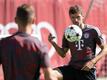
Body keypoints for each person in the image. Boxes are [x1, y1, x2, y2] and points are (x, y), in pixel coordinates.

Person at [0, 4, 62, 80]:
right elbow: (49, 77)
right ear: (33, 21)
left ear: (16, 20)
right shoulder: (40, 46)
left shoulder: (3, 44)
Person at [48, 5, 107, 80]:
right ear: (70, 18)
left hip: (87, 71)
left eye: (78, 17)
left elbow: (105, 49)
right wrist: (53, 42)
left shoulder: (93, 31)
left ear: (82, 16)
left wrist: (93, 62)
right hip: (72, 69)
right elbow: (63, 54)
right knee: (51, 74)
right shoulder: (68, 32)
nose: (75, 20)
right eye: (73, 17)